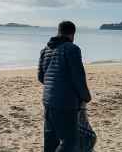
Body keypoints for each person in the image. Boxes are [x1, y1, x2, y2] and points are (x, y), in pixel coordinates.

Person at [38, 21, 92, 152]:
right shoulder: (72, 49)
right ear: (72, 34)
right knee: (70, 142)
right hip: (65, 104)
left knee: (50, 140)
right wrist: (86, 97)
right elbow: (78, 77)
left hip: (48, 101)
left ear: (58, 31)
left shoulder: (45, 50)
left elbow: (41, 77)